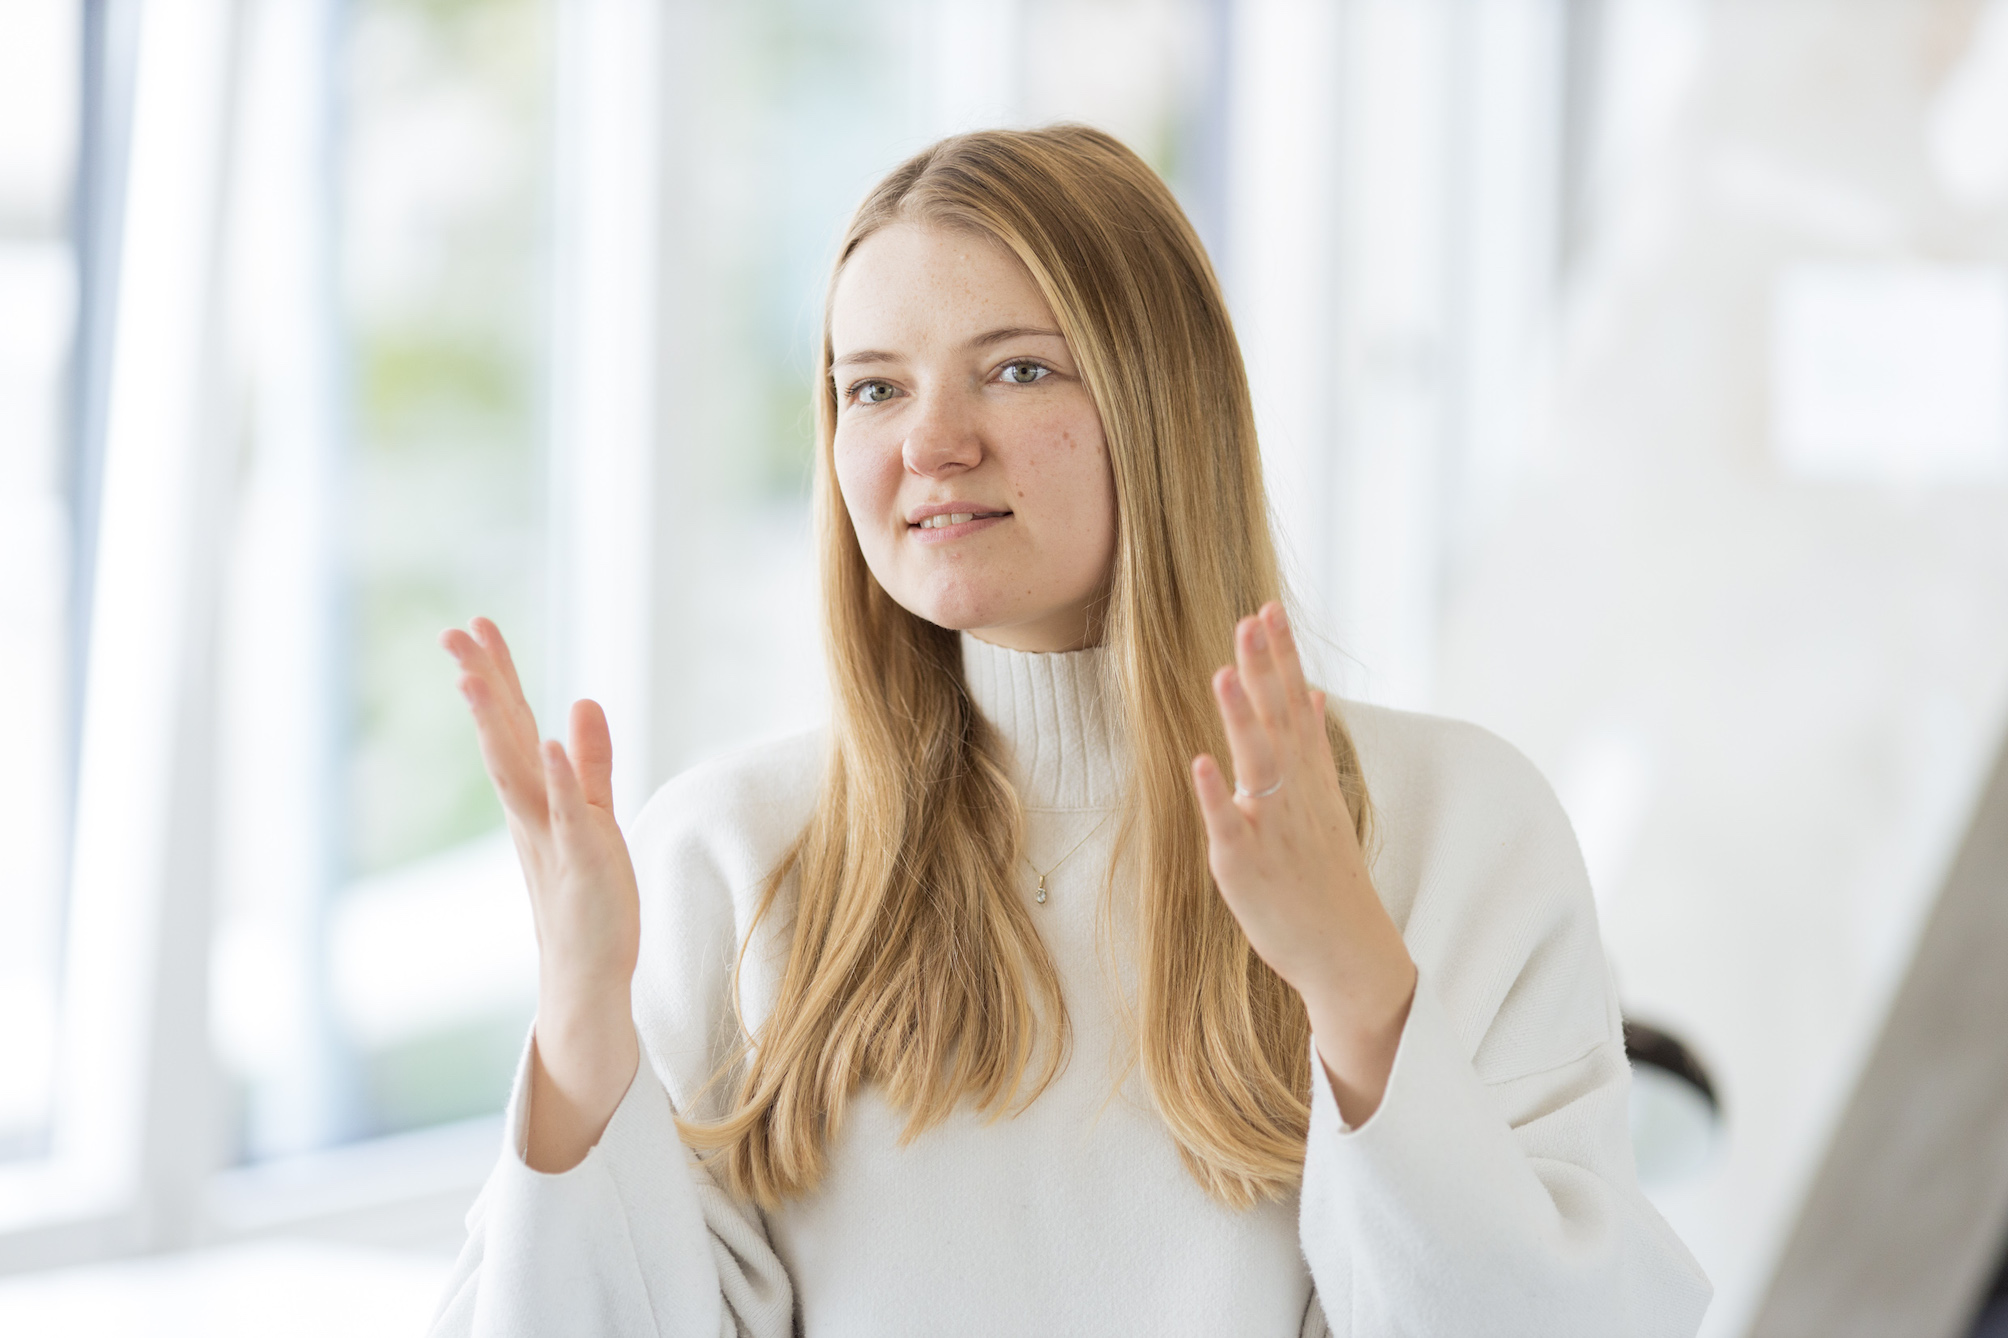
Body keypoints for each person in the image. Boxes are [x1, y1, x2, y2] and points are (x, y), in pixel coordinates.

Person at [429, 125, 1711, 1336]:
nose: (930, 443)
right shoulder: (725, 851)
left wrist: (1359, 992)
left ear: (1163, 407)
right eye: (873, 388)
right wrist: (583, 1036)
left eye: (1017, 369)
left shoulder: (1454, 823)